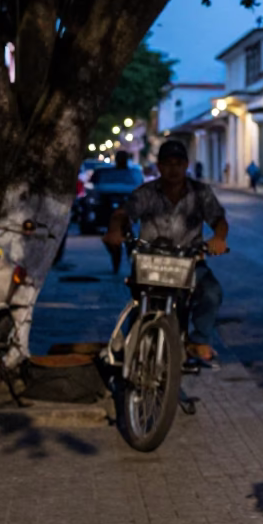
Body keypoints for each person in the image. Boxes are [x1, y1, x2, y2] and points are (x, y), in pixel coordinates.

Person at [103, 139, 229, 364]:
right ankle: (128, 343)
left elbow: (219, 219)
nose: (173, 169)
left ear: (186, 165)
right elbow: (123, 214)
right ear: (159, 166)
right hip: (150, 262)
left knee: (211, 292)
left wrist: (218, 238)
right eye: (167, 163)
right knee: (139, 298)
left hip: (188, 262)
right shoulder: (146, 193)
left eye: (178, 163)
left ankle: (199, 340)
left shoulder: (200, 193)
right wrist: (115, 231)